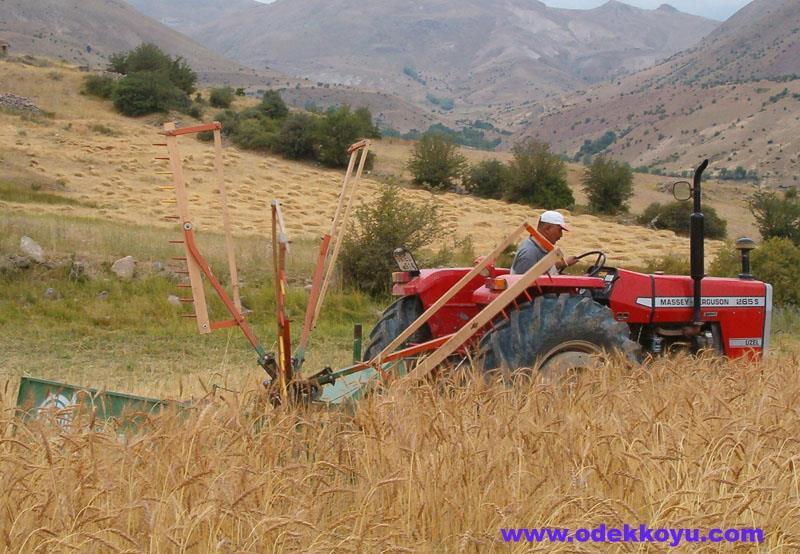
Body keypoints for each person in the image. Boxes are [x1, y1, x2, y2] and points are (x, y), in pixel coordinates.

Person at [510, 210, 578, 275]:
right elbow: (523, 284)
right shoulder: (529, 253)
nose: (561, 235)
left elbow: (540, 270)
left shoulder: (539, 247)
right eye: (559, 230)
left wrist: (563, 263)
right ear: (547, 228)